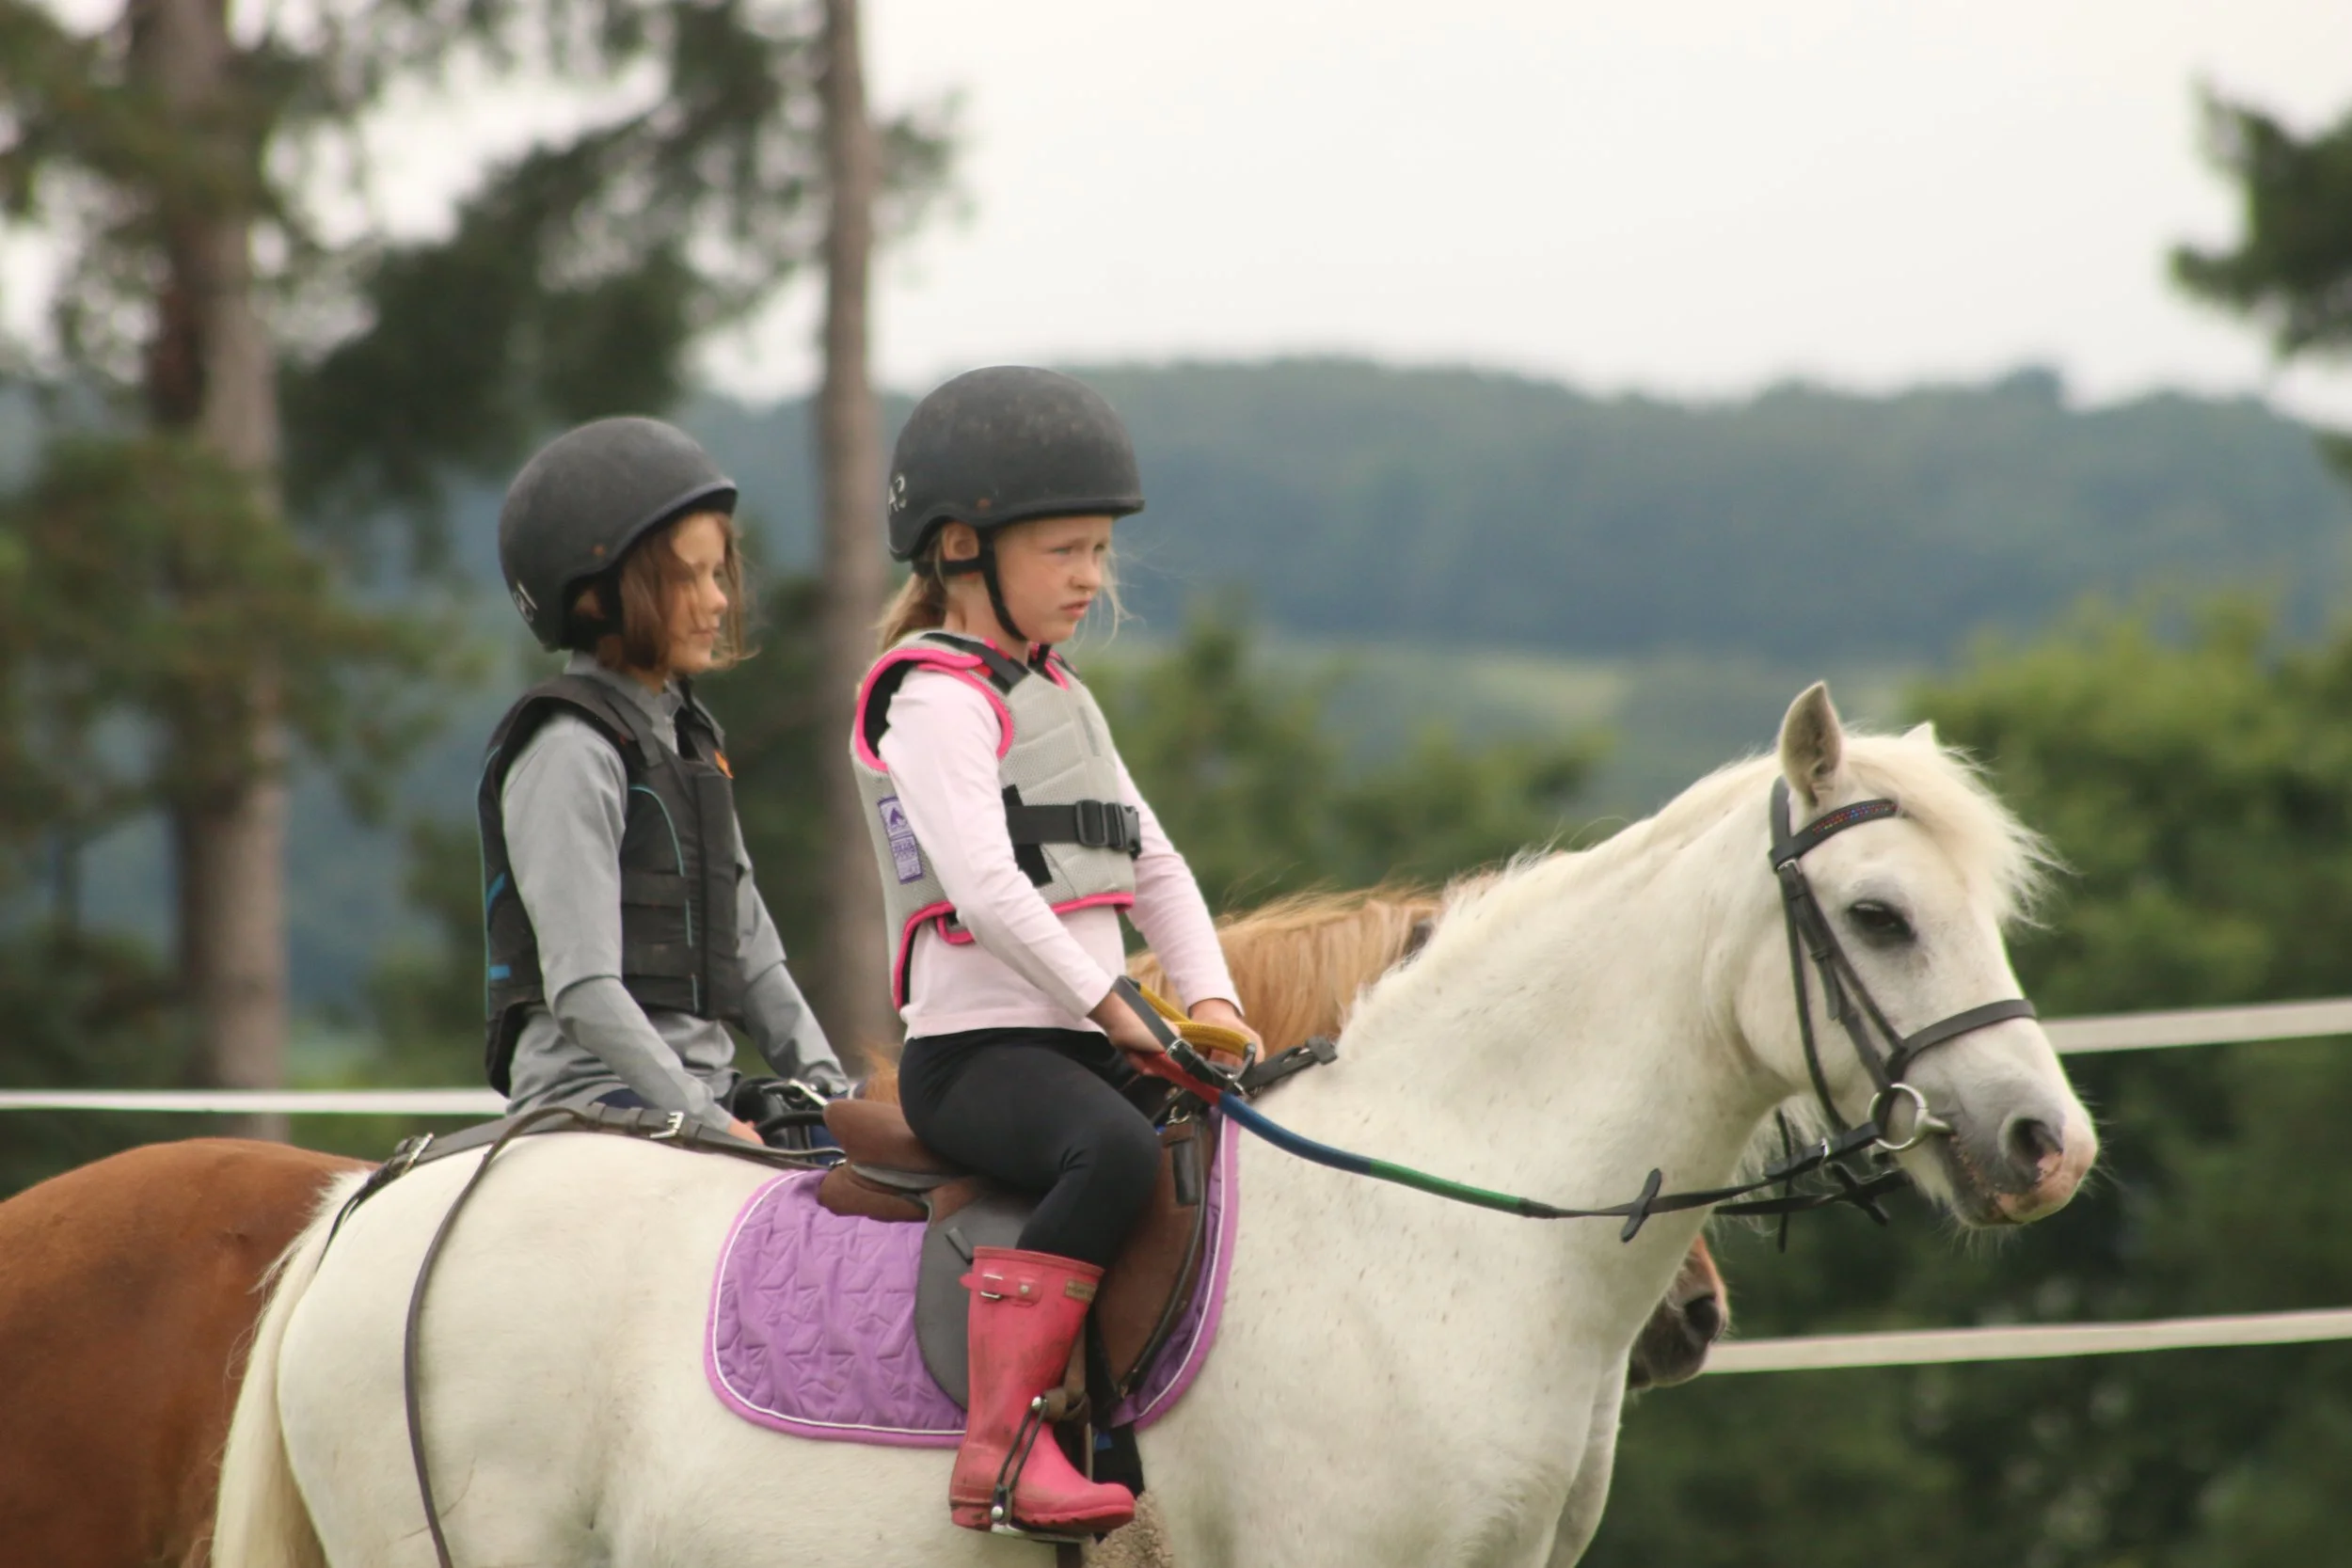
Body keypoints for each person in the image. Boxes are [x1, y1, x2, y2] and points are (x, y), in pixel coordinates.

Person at [850, 367, 1260, 1539]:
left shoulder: (1061, 696)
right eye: (1066, 550)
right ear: (964, 548)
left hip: (1076, 1034)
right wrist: (1123, 1006)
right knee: (1115, 1151)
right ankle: (1006, 1444)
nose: (1092, 576)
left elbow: (1161, 866)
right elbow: (983, 886)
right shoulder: (932, 698)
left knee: (1218, 1136)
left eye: (1098, 550)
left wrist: (1215, 1001)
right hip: (977, 1054)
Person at [479, 416, 846, 1146]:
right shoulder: (570, 750)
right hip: (591, 1103)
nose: (718, 601)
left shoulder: (688, 738)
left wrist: (836, 1098)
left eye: (719, 574)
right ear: (594, 597)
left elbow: (755, 954)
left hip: (693, 1094)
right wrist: (708, 1122)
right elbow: (583, 992)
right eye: (687, 577)